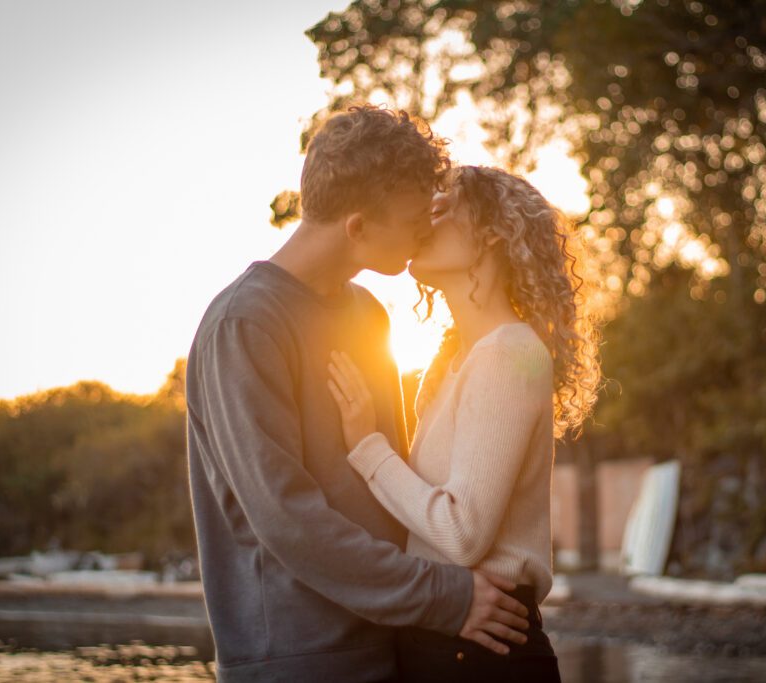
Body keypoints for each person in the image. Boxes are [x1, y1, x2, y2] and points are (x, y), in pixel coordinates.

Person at [185, 108, 531, 683]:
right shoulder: (244, 325)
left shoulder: (368, 315)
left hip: (397, 645)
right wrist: (445, 597)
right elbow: (286, 517)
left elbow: (390, 476)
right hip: (299, 660)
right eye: (413, 216)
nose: (428, 222)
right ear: (357, 228)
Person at [327, 165, 601, 682]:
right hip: (444, 638)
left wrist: (367, 445)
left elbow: (461, 534)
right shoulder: (452, 361)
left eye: (447, 207)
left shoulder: (511, 352)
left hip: (485, 655)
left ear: (495, 232)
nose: (429, 214)